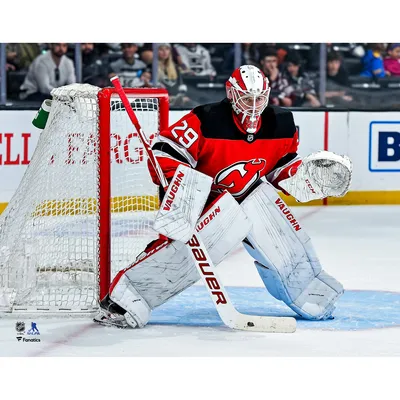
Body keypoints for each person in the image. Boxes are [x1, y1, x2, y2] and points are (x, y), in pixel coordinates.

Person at [94, 65, 351, 329]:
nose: (253, 106)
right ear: (231, 94)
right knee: (182, 256)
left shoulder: (282, 123)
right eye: (246, 98)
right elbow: (164, 153)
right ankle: (125, 299)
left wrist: (302, 177)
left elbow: (280, 168)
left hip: (248, 195)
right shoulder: (206, 119)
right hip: (202, 201)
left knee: (282, 238)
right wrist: (184, 189)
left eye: (259, 99)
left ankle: (310, 294)